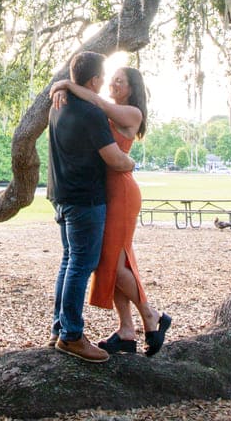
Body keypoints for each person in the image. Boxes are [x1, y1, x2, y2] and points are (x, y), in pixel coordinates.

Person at [50, 65, 171, 357]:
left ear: (131, 89)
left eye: (119, 81)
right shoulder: (102, 111)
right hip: (104, 189)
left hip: (122, 191)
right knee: (115, 262)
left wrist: (64, 83)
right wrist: (60, 89)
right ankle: (126, 331)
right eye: (111, 79)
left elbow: (97, 102)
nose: (112, 84)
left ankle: (151, 315)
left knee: (116, 265)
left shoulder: (131, 113)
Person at [47, 51, 137, 363]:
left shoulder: (58, 106)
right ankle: (71, 336)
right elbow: (113, 158)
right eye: (104, 77)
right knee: (80, 266)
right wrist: (131, 162)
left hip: (62, 196)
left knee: (69, 262)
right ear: (95, 79)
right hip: (86, 199)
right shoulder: (90, 112)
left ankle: (59, 329)